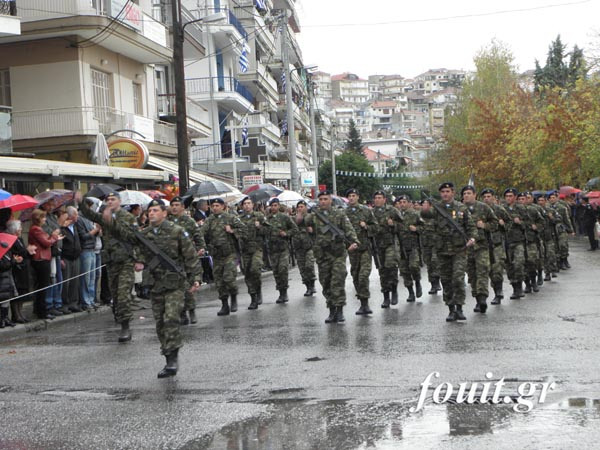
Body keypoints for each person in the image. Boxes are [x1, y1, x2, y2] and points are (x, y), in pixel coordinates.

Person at [110, 199, 201, 378]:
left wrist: (196, 278)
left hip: (175, 284)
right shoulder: (145, 234)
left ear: (164, 213)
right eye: (149, 211)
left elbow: (190, 257)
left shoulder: (177, 232)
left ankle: (173, 359)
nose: (151, 213)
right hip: (156, 284)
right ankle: (167, 355)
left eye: (155, 210)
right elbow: (128, 239)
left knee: (171, 318)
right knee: (160, 323)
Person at [77, 191, 137, 342]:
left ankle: (125, 327)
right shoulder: (104, 216)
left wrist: (111, 221)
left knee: (123, 294)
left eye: (113, 199)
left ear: (119, 201)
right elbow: (90, 215)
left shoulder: (128, 217)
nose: (110, 202)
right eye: (108, 200)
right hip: (111, 262)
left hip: (125, 261)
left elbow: (130, 236)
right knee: (115, 296)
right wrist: (80, 202)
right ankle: (119, 316)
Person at [421, 182, 476, 322]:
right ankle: (451, 308)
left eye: (447, 191)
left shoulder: (461, 208)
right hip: (442, 250)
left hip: (459, 249)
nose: (445, 194)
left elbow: (470, 226)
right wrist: (425, 209)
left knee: (458, 278)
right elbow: (425, 216)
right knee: (446, 280)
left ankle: (460, 307)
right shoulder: (436, 208)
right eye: (442, 192)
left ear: (453, 192)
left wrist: (472, 238)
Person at [305, 190, 358, 323]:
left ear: (330, 200)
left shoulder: (339, 214)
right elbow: (302, 222)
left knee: (337, 281)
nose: (323, 202)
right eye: (321, 199)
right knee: (326, 283)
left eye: (325, 199)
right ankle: (331, 309)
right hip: (322, 255)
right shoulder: (314, 215)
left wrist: (354, 242)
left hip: (337, 254)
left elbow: (349, 229)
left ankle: (339, 310)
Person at [199, 198, 245, 316]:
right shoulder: (209, 220)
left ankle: (233, 296)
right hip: (217, 255)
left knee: (229, 278)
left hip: (230, 253)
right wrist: (202, 245)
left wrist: (232, 230)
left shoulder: (230, 218)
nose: (214, 208)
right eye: (213, 206)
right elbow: (201, 234)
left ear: (223, 206)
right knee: (219, 281)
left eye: (217, 205)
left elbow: (244, 230)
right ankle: (225, 304)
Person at [168, 196, 206, 324]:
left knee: (188, 287)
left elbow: (198, 235)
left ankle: (191, 310)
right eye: (172, 205)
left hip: (188, 258)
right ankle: (182, 312)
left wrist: (201, 248)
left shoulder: (189, 221)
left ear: (182, 207)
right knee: (177, 287)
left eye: (177, 205)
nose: (174, 207)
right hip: (173, 259)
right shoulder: (166, 221)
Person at [461, 185, 498, 313]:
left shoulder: (484, 208)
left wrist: (484, 225)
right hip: (466, 247)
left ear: (474, 195)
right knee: (472, 274)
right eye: (464, 193)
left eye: (469, 193)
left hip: (482, 245)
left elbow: (495, 223)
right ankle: (477, 298)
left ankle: (482, 298)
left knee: (482, 271)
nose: (466, 195)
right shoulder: (459, 209)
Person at [345, 188, 377, 315]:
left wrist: (367, 227)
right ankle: (362, 301)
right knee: (356, 276)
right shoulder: (343, 213)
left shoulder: (366, 211)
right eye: (349, 196)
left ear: (358, 197)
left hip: (365, 248)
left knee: (363, 276)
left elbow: (376, 227)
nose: (352, 198)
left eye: (354, 195)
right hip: (352, 250)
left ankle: (365, 304)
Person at [28, 209, 64, 319]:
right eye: (43, 217)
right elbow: (46, 243)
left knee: (43, 285)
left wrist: (54, 237)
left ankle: (42, 310)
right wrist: (54, 236)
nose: (45, 219)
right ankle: (42, 311)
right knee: (42, 286)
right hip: (41, 259)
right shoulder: (36, 229)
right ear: (38, 218)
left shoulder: (37, 229)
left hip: (43, 258)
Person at [371, 190, 402, 307]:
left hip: (390, 244)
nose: (378, 200)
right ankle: (386, 297)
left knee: (391, 267)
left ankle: (394, 290)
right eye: (376, 198)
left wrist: (393, 224)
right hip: (378, 245)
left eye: (380, 198)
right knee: (382, 271)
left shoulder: (392, 210)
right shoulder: (371, 212)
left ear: (384, 199)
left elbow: (402, 225)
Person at [265, 198, 298, 304]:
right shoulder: (267, 219)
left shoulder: (284, 217)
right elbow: (263, 231)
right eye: (272, 206)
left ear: (279, 206)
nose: (273, 207)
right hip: (272, 249)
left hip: (283, 248)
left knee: (283, 269)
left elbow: (295, 229)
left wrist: (286, 233)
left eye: (275, 205)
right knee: (276, 272)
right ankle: (280, 292)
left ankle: (284, 292)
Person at [480, 189, 510, 304]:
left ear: (493, 197)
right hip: (483, 244)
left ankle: (498, 292)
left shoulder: (499, 209)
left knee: (497, 269)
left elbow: (510, 223)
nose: (487, 198)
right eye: (485, 196)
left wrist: (503, 225)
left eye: (489, 196)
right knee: (485, 271)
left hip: (496, 244)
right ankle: (482, 298)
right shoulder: (479, 209)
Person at [238, 196, 267, 309]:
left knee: (255, 269)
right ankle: (253, 297)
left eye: (249, 203)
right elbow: (236, 232)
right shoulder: (239, 218)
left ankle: (258, 290)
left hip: (257, 248)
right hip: (245, 250)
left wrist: (259, 227)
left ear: (252, 205)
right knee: (248, 274)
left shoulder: (259, 216)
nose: (247, 205)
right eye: (245, 203)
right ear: (242, 206)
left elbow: (268, 230)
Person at [394, 195, 423, 302]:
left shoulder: (414, 214)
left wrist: (416, 229)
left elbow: (423, 227)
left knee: (414, 266)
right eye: (400, 202)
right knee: (404, 271)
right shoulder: (395, 215)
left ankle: (418, 282)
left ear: (409, 203)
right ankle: (411, 292)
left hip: (413, 245)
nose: (402, 204)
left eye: (404, 202)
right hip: (400, 247)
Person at [7, 219, 35, 323]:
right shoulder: (11, 240)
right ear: (14, 229)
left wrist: (27, 250)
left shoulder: (20, 239)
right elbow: (17, 253)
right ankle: (16, 314)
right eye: (19, 228)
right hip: (17, 269)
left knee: (23, 291)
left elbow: (23, 251)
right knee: (17, 292)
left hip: (23, 268)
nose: (21, 229)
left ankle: (20, 313)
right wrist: (26, 251)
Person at [502, 188, 527, 300]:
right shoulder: (501, 209)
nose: (508, 198)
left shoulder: (521, 208)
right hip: (506, 241)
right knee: (509, 266)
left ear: (515, 197)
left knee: (518, 263)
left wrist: (520, 222)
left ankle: (520, 286)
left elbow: (529, 224)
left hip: (518, 241)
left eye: (511, 196)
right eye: (507, 196)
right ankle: (514, 287)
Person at [76, 206, 101, 310]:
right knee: (86, 278)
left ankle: (91, 299)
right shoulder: (80, 220)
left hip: (92, 249)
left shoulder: (90, 219)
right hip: (85, 250)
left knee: (92, 277)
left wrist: (98, 230)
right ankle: (85, 301)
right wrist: (95, 230)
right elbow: (84, 236)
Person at [292, 200, 317, 297]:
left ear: (306, 207)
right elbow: (290, 228)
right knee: (302, 268)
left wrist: (312, 230)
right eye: (298, 207)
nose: (300, 208)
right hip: (298, 246)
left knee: (309, 265)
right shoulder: (293, 218)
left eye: (302, 206)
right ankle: (308, 287)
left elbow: (318, 228)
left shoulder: (310, 217)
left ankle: (312, 284)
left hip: (309, 246)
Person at [61, 206, 82, 312]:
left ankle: (73, 302)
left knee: (75, 281)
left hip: (76, 256)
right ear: (69, 216)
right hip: (66, 257)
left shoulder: (75, 226)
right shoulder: (63, 228)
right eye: (75, 214)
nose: (77, 216)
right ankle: (65, 303)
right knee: (66, 282)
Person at [420, 199, 442, 295]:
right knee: (429, 264)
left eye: (426, 204)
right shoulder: (420, 217)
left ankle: (437, 282)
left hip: (435, 244)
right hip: (425, 244)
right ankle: (433, 284)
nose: (424, 205)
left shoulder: (435, 217)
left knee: (434, 262)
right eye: (423, 204)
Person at [548, 191, 575, 269]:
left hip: (561, 228)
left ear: (557, 198)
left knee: (563, 245)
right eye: (551, 198)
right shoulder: (547, 208)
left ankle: (564, 259)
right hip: (551, 229)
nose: (552, 199)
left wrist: (571, 230)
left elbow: (567, 219)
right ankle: (559, 261)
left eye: (553, 197)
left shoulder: (562, 207)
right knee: (555, 246)